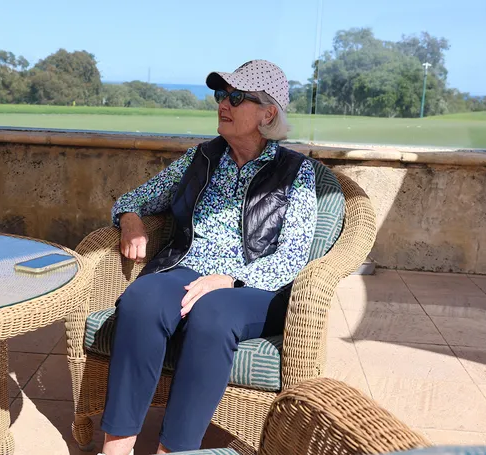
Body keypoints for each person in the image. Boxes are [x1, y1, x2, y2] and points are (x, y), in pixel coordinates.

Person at [99, 60, 337, 455]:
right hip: (186, 266)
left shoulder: (297, 172)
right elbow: (134, 198)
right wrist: (130, 221)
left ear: (268, 112)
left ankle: (175, 448)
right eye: (221, 95)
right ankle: (117, 448)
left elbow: (294, 254)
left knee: (212, 315)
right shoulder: (201, 158)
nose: (224, 104)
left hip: (256, 285)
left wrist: (229, 278)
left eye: (237, 97)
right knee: (141, 300)